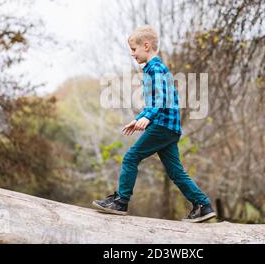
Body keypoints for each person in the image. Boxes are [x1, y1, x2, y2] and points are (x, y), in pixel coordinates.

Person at [92, 25, 216, 223]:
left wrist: (148, 117)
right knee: (176, 171)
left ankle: (121, 201)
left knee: (131, 157)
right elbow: (156, 101)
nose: (132, 54)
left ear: (146, 46)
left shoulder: (155, 68)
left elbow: (161, 98)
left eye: (134, 49)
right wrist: (140, 117)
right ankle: (203, 205)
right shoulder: (156, 68)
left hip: (162, 126)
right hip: (170, 128)